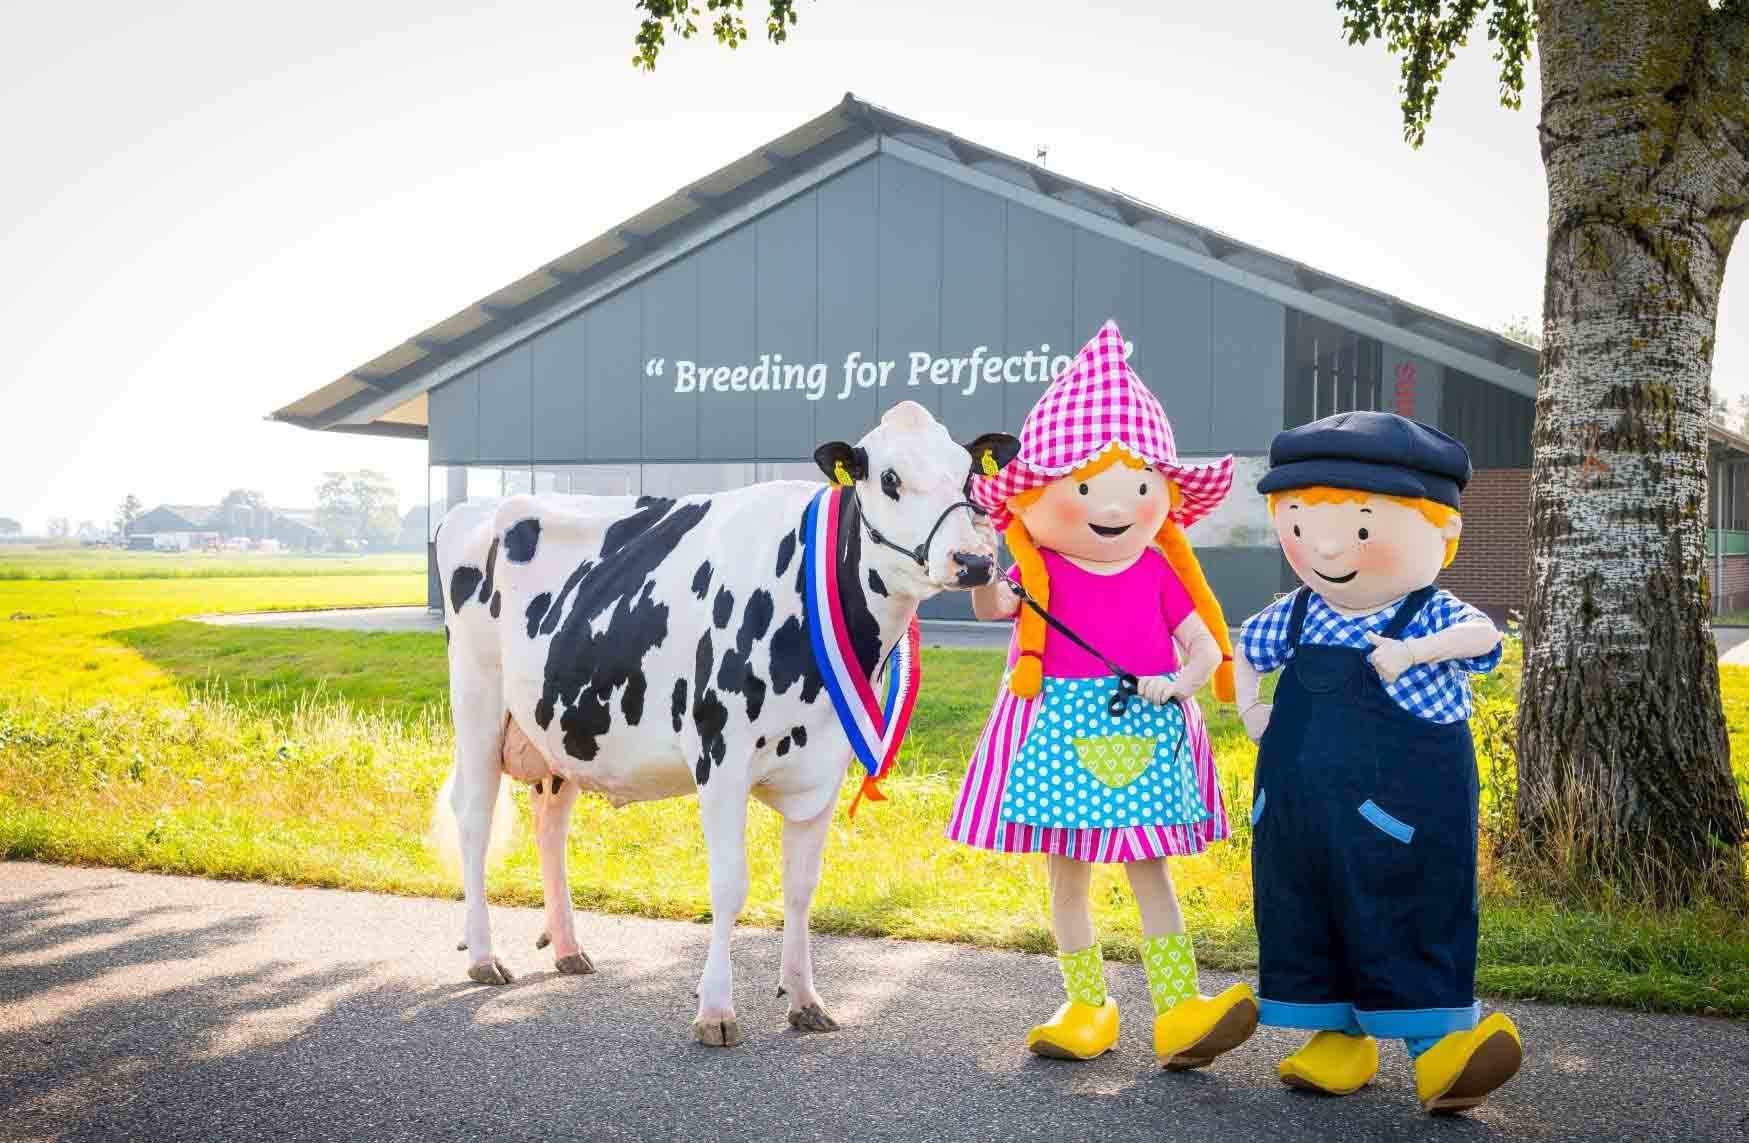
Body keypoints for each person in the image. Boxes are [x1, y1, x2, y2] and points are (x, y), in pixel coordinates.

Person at [947, 319, 1258, 1068]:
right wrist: (988, 564)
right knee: (1067, 874)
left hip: (1144, 727)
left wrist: (1178, 684)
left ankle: (1180, 1008)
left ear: (1160, 494)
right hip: (1055, 724)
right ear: (1038, 495)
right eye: (1085, 487)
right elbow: (994, 611)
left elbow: (1206, 648)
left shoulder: (1154, 570)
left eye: (1138, 486)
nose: (1114, 505)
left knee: (1149, 868)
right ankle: (1086, 1004)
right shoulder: (1038, 569)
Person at [1234, 410, 1522, 1114]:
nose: (1324, 547)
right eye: (1297, 525)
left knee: (1407, 911)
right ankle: (1337, 1037)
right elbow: (1244, 649)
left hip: (1404, 820)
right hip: (1301, 817)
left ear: (1442, 534)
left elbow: (1483, 634)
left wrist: (1414, 652)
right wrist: (1250, 710)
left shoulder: (1426, 612)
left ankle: (1438, 1052)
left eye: (1360, 527)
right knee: (1307, 911)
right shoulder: (1297, 612)